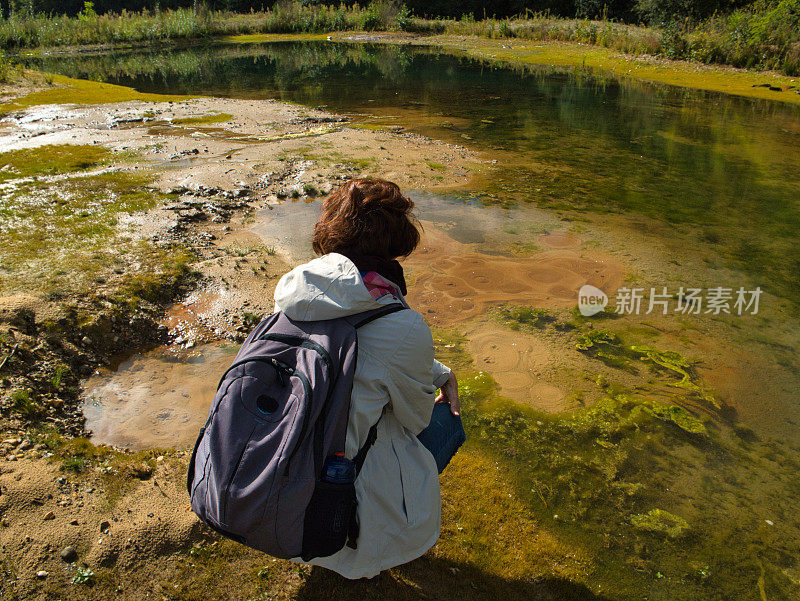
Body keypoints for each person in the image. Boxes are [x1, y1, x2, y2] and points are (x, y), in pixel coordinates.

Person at [272, 177, 464, 579]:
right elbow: (416, 420)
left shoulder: (293, 296)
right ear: (396, 242)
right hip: (340, 513)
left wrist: (436, 371)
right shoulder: (401, 323)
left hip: (278, 497)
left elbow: (360, 350)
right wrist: (439, 383)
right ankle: (375, 537)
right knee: (447, 421)